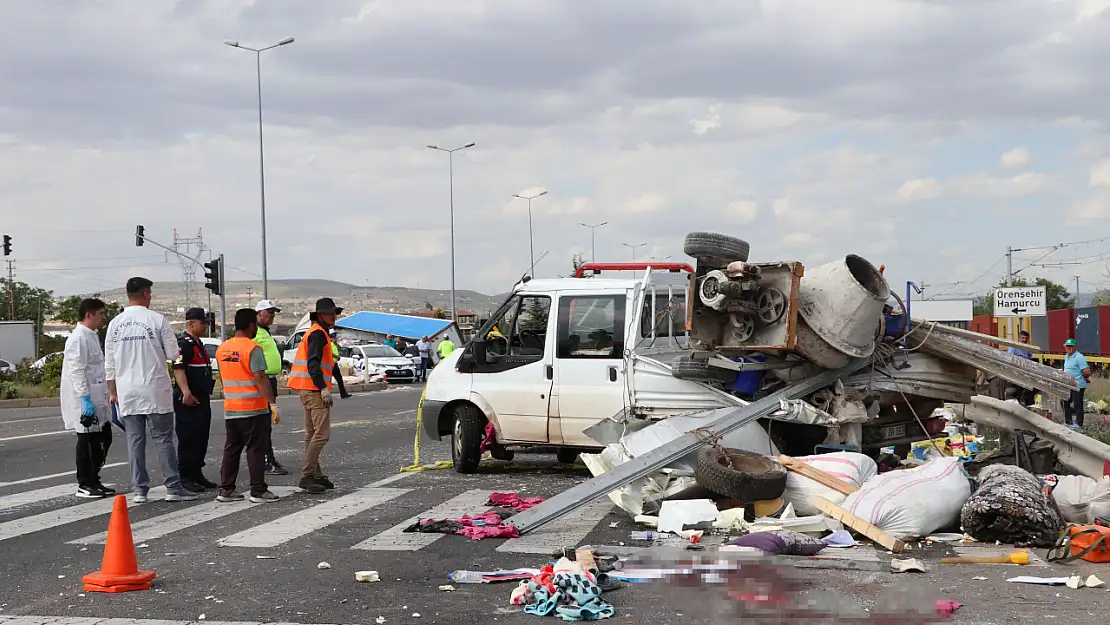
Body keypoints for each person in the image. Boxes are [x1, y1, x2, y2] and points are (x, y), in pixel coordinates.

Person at [105, 277, 197, 503]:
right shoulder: (157, 320)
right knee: (163, 439)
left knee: (135, 441)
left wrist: (112, 391)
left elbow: (110, 364)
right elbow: (173, 354)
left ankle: (139, 490)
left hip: (128, 391)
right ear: (146, 293)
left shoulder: (115, 324)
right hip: (155, 389)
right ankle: (173, 488)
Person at [214, 309, 281, 503]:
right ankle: (258, 490)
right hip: (253, 408)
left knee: (232, 449)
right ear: (252, 325)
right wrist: (273, 403)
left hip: (231, 408)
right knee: (255, 449)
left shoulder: (222, 349)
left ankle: (226, 489)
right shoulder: (252, 348)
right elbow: (260, 377)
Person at [287, 297, 343, 494]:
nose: (333, 316)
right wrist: (323, 388)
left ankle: (315, 475)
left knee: (312, 434)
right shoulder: (318, 334)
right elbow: (313, 364)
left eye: (334, 312)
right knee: (321, 434)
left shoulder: (318, 333)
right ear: (320, 315)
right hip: (314, 390)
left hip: (307, 389)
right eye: (330, 313)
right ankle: (307, 475)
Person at [61, 298, 114, 498]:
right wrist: (84, 398)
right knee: (87, 441)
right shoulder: (77, 338)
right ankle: (85, 483)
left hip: (98, 397)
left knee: (103, 438)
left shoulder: (91, 336)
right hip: (85, 399)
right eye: (100, 313)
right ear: (89, 314)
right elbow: (77, 370)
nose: (103, 318)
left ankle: (94, 478)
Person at [173, 307, 216, 493]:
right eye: (202, 322)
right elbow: (179, 368)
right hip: (189, 398)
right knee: (188, 438)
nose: (206, 325)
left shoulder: (199, 343)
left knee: (201, 437)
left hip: (202, 396)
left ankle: (197, 472)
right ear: (191, 323)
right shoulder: (185, 344)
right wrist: (186, 392)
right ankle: (186, 476)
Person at [253, 300, 289, 476]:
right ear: (259, 313)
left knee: (266, 423)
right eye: (269, 313)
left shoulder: (265, 332)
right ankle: (266, 460)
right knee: (262, 423)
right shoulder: (254, 332)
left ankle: (267, 458)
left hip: (270, 379)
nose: (272, 317)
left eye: (273, 314)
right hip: (262, 380)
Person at [1063, 338, 1092, 429]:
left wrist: (1083, 378)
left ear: (1074, 347)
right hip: (1068, 384)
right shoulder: (1066, 356)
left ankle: (1079, 423)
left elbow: (1087, 371)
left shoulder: (1079, 357)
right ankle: (1068, 421)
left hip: (1078, 384)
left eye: (1071, 346)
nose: (1069, 348)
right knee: (1065, 402)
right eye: (1067, 346)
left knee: (1077, 404)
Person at [329, 329, 352, 399]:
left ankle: (343, 393)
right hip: (330, 363)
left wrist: (335, 342)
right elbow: (329, 353)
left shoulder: (333, 343)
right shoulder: (328, 343)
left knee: (339, 379)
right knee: (328, 380)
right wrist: (337, 357)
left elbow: (340, 348)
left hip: (334, 363)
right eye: (333, 335)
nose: (335, 337)